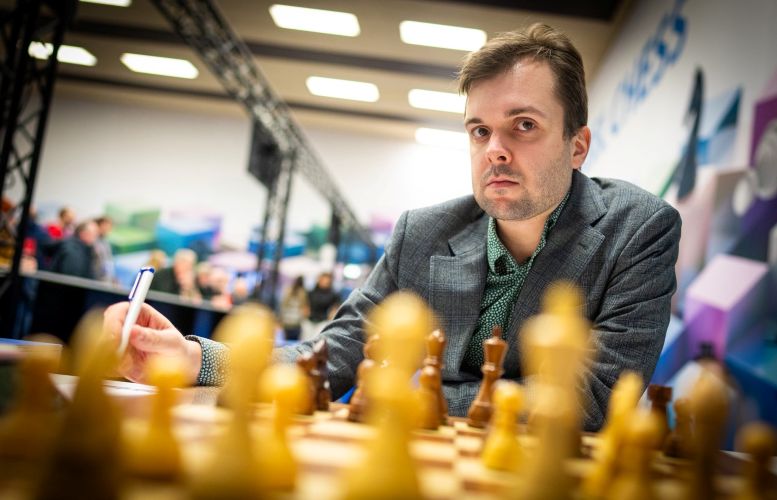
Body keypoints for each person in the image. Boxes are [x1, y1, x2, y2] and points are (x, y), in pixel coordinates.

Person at [103, 23, 681, 431]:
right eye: (480, 131)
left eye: (523, 125)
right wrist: (196, 360)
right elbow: (333, 355)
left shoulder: (639, 231)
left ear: (578, 145)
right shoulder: (422, 233)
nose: (495, 150)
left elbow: (596, 401)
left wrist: (411, 391)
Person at [302, 272, 340, 341]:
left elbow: (335, 308)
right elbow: (305, 304)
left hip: (323, 321)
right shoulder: (311, 292)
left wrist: (331, 317)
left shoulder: (333, 295)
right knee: (305, 340)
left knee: (316, 340)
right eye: (323, 280)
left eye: (327, 281)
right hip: (309, 320)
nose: (325, 282)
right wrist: (305, 312)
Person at [279, 276, 310, 342]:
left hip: (289, 321)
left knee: (287, 341)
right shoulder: (302, 292)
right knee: (294, 342)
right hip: (294, 322)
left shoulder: (288, 290)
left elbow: (283, 306)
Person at [92, 216, 116, 284]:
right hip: (96, 279)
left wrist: (113, 278)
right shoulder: (92, 241)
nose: (107, 229)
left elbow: (109, 261)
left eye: (109, 227)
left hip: (106, 279)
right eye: (105, 226)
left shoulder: (105, 242)